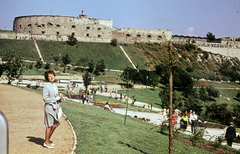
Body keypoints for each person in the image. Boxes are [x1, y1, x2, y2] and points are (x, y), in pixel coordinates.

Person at [43, 70, 61, 149]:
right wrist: (55, 99)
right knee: (49, 125)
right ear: (47, 78)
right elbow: (45, 98)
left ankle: (47, 140)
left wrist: (59, 98)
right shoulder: (47, 86)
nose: (51, 77)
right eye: (49, 76)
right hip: (49, 107)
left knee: (55, 124)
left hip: (55, 107)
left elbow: (55, 96)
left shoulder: (55, 85)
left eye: (52, 75)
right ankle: (46, 142)